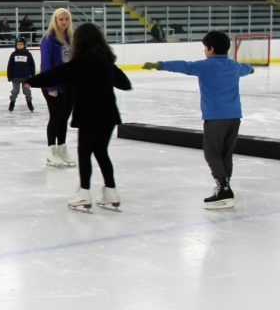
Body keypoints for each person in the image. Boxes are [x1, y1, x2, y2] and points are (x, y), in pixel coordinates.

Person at [142, 30, 255, 209]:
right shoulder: (234, 66)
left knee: (212, 153)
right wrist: (250, 68)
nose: (204, 52)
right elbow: (247, 68)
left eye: (205, 49)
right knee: (226, 153)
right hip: (234, 116)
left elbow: (183, 66)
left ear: (210, 49)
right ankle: (225, 186)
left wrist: (159, 64)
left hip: (216, 117)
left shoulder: (206, 66)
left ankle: (223, 188)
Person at [28, 23, 132, 210]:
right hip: (109, 115)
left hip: (89, 115)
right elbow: (125, 84)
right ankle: (111, 191)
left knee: (84, 154)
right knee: (101, 152)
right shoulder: (106, 61)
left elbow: (54, 75)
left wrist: (30, 81)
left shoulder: (79, 63)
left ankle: (84, 193)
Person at [39, 8, 76, 168]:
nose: (64, 22)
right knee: (56, 117)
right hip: (52, 84)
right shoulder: (48, 39)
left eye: (66, 19)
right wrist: (51, 86)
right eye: (61, 19)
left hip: (68, 84)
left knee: (64, 118)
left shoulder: (70, 37)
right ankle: (50, 151)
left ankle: (62, 149)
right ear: (55, 20)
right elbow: (46, 65)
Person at [6, 36, 36, 112]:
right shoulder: (13, 54)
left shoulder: (28, 54)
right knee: (15, 91)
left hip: (26, 78)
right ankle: (12, 103)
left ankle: (29, 103)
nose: (19, 46)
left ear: (24, 45)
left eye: (21, 44)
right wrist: (10, 76)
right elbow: (10, 66)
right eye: (18, 44)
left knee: (27, 92)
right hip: (15, 77)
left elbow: (32, 65)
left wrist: (33, 76)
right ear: (16, 45)